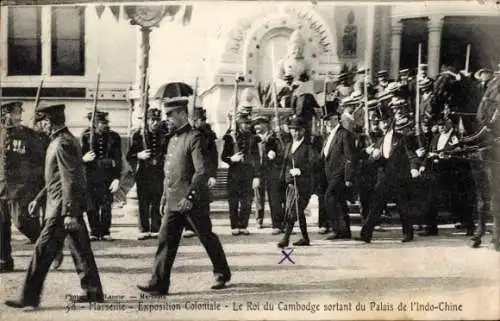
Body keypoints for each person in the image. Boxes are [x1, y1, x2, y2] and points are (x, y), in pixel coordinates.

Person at [5, 103, 104, 309]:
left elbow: (71, 179)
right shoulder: (62, 140)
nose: (40, 126)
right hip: (63, 205)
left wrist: (69, 212)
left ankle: (28, 297)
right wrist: (39, 199)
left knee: (41, 251)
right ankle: (93, 291)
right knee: (80, 249)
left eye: (42, 122)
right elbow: (56, 179)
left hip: (61, 208)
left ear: (49, 122)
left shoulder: (61, 144)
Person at [137, 96, 231, 295]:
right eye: (166, 114)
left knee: (206, 236)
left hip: (191, 202)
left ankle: (222, 272)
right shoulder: (171, 139)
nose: (167, 118)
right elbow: (169, 172)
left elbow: (201, 171)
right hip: (173, 201)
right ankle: (159, 282)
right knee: (165, 240)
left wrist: (189, 197)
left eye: (171, 114)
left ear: (182, 113)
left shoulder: (195, 137)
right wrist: (165, 197)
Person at [357, 102, 419, 243]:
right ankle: (365, 235)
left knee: (403, 206)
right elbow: (371, 162)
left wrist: (414, 167)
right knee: (375, 206)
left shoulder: (402, 138)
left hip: (399, 177)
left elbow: (412, 155)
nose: (384, 124)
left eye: (386, 121)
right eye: (381, 122)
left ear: (391, 121)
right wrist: (374, 156)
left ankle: (408, 234)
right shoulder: (379, 140)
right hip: (383, 178)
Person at [0, 101, 45, 273]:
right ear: (6, 114)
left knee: (22, 222)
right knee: (2, 225)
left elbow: (38, 161)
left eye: (20, 112)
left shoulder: (28, 135)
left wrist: (32, 183)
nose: (19, 116)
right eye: (16, 113)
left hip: (20, 188)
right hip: (1, 187)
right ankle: (4, 260)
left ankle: (48, 248)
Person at [126, 108, 167, 240]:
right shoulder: (138, 136)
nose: (155, 123)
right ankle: (143, 228)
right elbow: (129, 156)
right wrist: (139, 155)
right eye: (152, 120)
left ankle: (155, 228)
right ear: (147, 121)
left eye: (157, 120)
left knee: (156, 201)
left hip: (158, 172)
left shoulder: (164, 135)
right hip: (143, 173)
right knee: (143, 202)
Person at [81, 111, 122, 241]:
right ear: (94, 123)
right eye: (101, 123)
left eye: (105, 122)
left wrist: (116, 178)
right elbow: (78, 157)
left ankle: (105, 231)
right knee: (91, 205)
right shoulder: (86, 136)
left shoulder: (114, 137)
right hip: (90, 176)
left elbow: (118, 158)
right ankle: (94, 231)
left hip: (107, 176)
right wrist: (84, 159)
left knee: (106, 205)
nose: (105, 125)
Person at [320, 101, 357, 240]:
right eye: (326, 121)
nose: (328, 123)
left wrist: (348, 177)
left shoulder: (344, 134)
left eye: (330, 120)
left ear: (337, 119)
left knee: (329, 198)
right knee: (339, 202)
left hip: (340, 174)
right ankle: (344, 231)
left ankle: (337, 229)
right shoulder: (328, 136)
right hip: (329, 174)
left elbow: (350, 157)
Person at [277, 117, 317, 248]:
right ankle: (305, 238)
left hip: (303, 185)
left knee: (294, 211)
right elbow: (284, 164)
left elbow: (314, 163)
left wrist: (301, 170)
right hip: (291, 184)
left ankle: (286, 238)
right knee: (297, 211)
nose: (296, 133)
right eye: (293, 130)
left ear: (303, 131)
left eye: (298, 130)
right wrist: (283, 179)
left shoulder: (308, 147)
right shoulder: (288, 145)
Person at [221, 113, 259, 235]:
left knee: (247, 200)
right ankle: (234, 225)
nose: (247, 126)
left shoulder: (253, 138)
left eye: (248, 123)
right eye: (244, 123)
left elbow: (256, 157)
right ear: (238, 124)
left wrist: (257, 176)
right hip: (234, 172)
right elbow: (223, 157)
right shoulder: (230, 137)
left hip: (248, 172)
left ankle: (243, 225)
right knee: (233, 200)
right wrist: (232, 159)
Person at [253, 115, 285, 234]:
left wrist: (275, 155)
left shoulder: (275, 138)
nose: (256, 126)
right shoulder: (253, 139)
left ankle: (277, 224)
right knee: (258, 196)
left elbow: (282, 153)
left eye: (259, 124)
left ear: (266, 125)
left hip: (272, 171)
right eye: (255, 124)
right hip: (258, 172)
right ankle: (259, 219)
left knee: (274, 197)